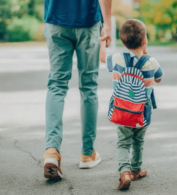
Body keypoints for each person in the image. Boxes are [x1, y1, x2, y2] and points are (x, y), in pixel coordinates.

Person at [43, 0, 112, 181]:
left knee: (57, 85)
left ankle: (51, 150)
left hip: (56, 18)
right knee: (88, 87)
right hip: (88, 21)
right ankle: (87, 154)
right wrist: (108, 25)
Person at [99, 19, 164, 190]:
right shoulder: (152, 62)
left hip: (121, 111)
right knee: (138, 140)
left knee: (123, 142)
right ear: (144, 40)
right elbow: (158, 78)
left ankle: (124, 172)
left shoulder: (117, 59)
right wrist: (146, 53)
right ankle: (136, 170)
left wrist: (103, 42)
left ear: (123, 41)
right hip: (143, 112)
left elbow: (102, 58)